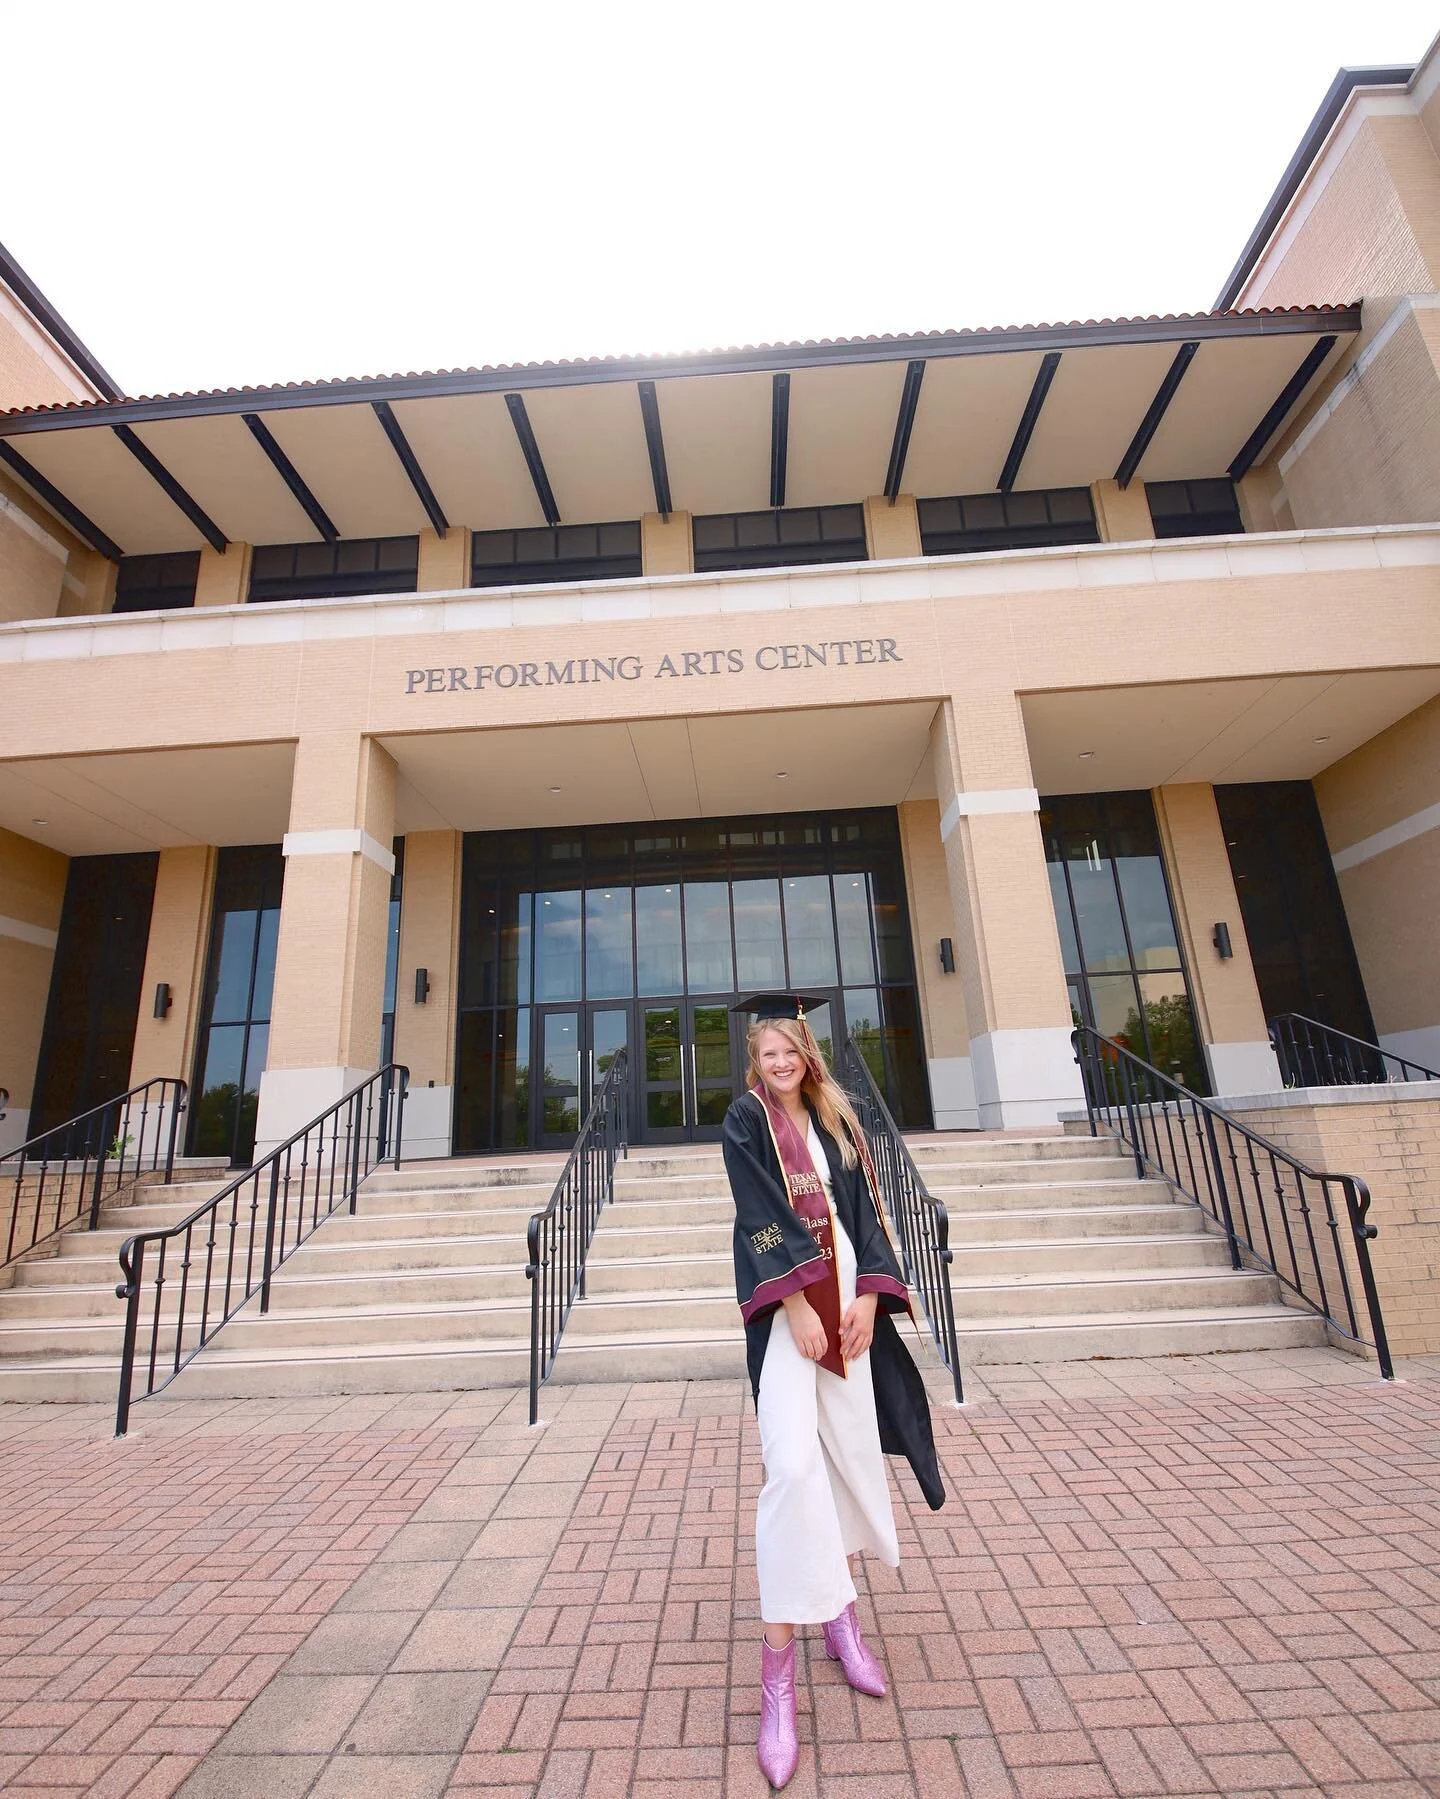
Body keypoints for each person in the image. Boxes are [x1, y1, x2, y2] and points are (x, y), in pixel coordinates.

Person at [722, 993, 945, 1791]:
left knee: (847, 1458)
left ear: (807, 1052)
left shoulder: (838, 1119)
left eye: (791, 1052)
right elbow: (757, 1217)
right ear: (757, 1059)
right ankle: (775, 1679)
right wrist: (793, 1305)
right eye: (769, 1054)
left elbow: (866, 1218)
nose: (781, 1064)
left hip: (848, 1306)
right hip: (790, 1311)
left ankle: (840, 1617)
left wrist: (867, 1299)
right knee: (791, 1468)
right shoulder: (746, 1122)